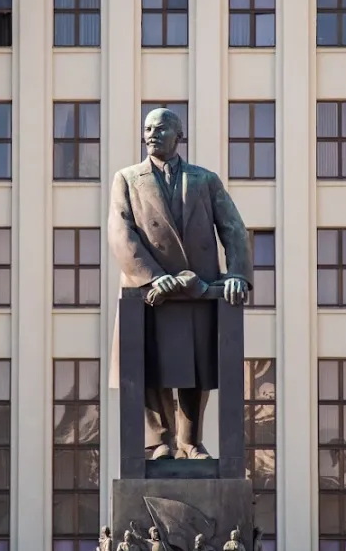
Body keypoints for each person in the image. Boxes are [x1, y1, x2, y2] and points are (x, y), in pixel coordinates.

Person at [107, 107, 253, 460]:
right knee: (149, 368)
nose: (151, 134)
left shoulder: (204, 180)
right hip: (150, 292)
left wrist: (237, 275)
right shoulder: (127, 178)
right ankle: (158, 442)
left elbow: (233, 229)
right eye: (147, 128)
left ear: (178, 135)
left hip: (196, 289)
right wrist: (156, 278)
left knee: (196, 367)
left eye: (160, 129)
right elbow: (120, 233)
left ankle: (190, 442)